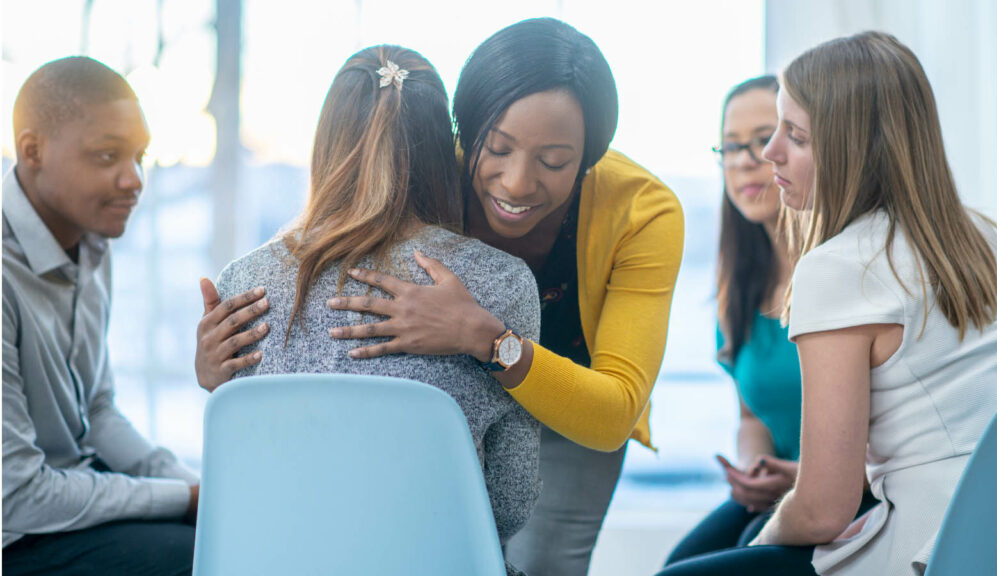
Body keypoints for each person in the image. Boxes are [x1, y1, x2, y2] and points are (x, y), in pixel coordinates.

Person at [195, 18, 684, 576]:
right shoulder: (419, 161)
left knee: (546, 562)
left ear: (591, 157)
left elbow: (613, 412)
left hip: (579, 404)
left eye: (554, 162)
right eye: (495, 148)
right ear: (461, 130)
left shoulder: (643, 211)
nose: (518, 183)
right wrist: (216, 368)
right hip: (467, 451)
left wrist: (485, 339)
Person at [659, 31, 997, 576]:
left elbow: (823, 510)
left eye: (794, 136)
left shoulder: (837, 267)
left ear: (855, 149)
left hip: (926, 545)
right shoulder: (982, 238)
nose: (768, 153)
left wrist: (757, 549)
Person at [211, 45, 541, 576]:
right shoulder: (501, 283)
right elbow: (510, 503)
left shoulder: (244, 281)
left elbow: (240, 472)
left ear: (326, 142)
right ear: (442, 149)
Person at [663, 76, 878, 567]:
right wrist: (752, 468)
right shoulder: (737, 287)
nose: (745, 159)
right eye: (731, 146)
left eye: (764, 139)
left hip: (853, 498)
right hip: (780, 490)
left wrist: (805, 475)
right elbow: (751, 417)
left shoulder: (843, 274)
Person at [2, 56, 199, 576]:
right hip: (16, 534)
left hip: (68, 495)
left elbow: (99, 410)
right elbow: (17, 496)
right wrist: (181, 497)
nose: (133, 179)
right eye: (108, 155)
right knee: (200, 559)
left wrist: (195, 487)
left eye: (139, 156)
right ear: (32, 151)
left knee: (225, 530)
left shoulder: (91, 242)